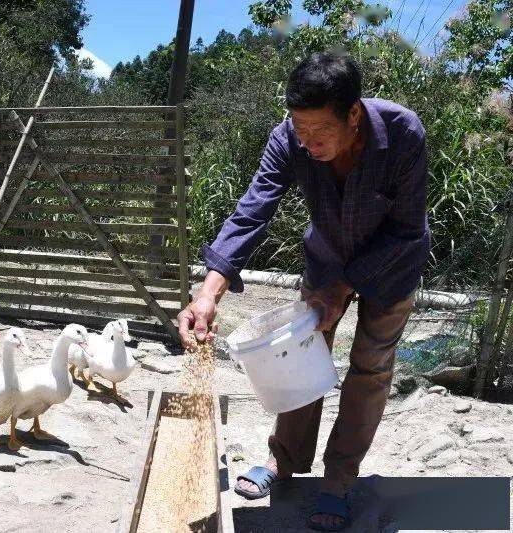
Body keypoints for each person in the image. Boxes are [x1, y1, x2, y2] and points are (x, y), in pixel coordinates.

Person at [177, 52, 430, 531]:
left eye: (319, 132)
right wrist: (208, 291)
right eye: (299, 129)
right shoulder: (287, 139)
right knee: (299, 352)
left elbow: (408, 230)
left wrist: (346, 286)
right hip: (327, 257)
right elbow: (252, 211)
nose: (306, 142)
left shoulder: (404, 134)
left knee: (371, 367)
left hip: (392, 267)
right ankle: (283, 462)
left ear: (353, 115)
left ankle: (338, 479)